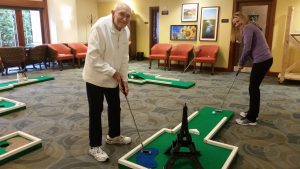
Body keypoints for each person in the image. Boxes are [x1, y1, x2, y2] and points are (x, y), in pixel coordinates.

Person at [82, 2, 132, 162]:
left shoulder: (126, 31)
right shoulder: (99, 27)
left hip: (113, 78)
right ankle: (94, 146)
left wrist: (124, 79)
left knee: (115, 108)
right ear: (113, 13)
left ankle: (114, 136)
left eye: (128, 16)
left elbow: (124, 57)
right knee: (96, 111)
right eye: (121, 14)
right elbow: (93, 57)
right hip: (95, 77)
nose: (124, 19)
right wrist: (113, 72)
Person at [231, 12, 273, 126]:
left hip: (262, 61)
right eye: (234, 23)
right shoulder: (252, 26)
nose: (237, 24)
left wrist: (240, 63)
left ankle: (252, 118)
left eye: (238, 21)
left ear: (243, 19)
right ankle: (252, 112)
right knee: (254, 87)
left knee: (253, 88)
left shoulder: (248, 27)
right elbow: (251, 48)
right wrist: (243, 63)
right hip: (264, 60)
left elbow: (247, 48)